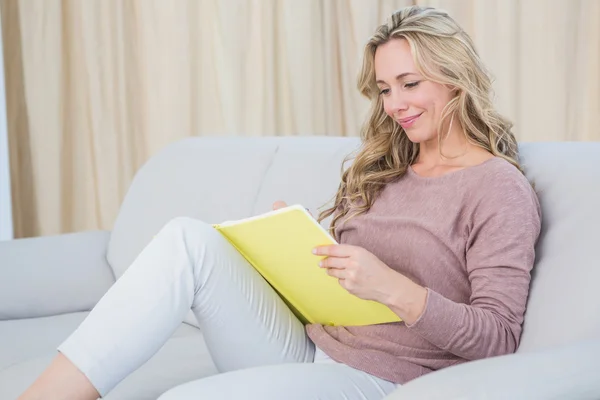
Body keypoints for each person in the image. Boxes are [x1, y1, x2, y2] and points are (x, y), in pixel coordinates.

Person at [19, 5, 541, 400]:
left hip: (382, 379)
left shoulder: (497, 188)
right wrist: (292, 249)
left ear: (456, 80)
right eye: (384, 89)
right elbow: (343, 285)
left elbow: (498, 338)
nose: (395, 105)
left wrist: (395, 289)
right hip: (309, 344)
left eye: (409, 84)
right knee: (187, 238)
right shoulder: (388, 167)